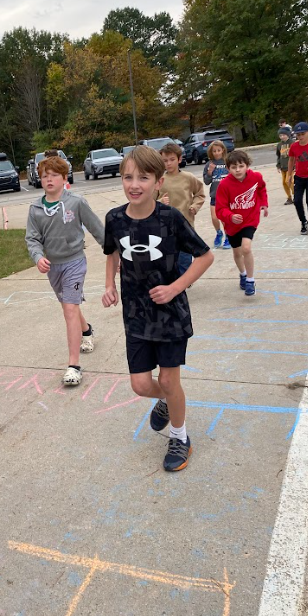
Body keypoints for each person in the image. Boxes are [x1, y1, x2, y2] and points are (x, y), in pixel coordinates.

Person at [102, 145, 214, 472]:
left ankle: (179, 436)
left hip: (170, 314)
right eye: (128, 177)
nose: (134, 184)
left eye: (143, 177)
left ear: (159, 181)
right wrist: (109, 284)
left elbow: (205, 256)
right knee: (140, 385)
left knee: (168, 379)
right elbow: (111, 253)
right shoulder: (115, 219)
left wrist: (176, 287)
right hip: (135, 315)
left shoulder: (170, 219)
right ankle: (165, 402)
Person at [25, 154, 104, 387]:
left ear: (64, 177)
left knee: (70, 308)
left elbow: (97, 228)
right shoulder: (35, 209)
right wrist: (38, 257)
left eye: (54, 175)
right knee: (69, 306)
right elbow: (32, 239)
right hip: (53, 266)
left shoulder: (76, 202)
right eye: (44, 176)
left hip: (75, 262)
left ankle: (74, 366)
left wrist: (112, 253)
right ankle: (87, 331)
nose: (49, 180)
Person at [215, 150, 269, 297]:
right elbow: (220, 209)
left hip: (250, 219)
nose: (238, 170)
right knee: (237, 252)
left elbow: (262, 189)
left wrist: (263, 203)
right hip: (232, 225)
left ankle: (250, 281)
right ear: (228, 168)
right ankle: (243, 274)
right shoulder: (224, 185)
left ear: (247, 165)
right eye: (233, 167)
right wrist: (230, 216)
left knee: (246, 248)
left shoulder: (256, 177)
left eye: (241, 166)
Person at [157, 142, 205, 277]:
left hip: (185, 224)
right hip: (165, 226)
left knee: (185, 257)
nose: (168, 163)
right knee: (169, 257)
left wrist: (195, 206)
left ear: (179, 159)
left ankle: (183, 281)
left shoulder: (188, 178)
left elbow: (200, 194)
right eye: (165, 161)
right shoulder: (159, 180)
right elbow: (150, 201)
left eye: (172, 160)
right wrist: (160, 202)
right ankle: (175, 280)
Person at [203, 140, 231, 247]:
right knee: (214, 218)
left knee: (224, 218)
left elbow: (235, 176)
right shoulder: (209, 164)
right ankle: (219, 233)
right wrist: (210, 171)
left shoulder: (227, 162)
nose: (217, 153)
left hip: (226, 196)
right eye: (214, 151)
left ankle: (228, 237)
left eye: (219, 150)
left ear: (223, 150)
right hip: (215, 195)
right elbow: (206, 181)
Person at [276, 128, 294, 205]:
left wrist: (295, 165)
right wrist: (278, 165)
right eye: (280, 135)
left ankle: (296, 193)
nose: (282, 137)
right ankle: (289, 197)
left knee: (288, 181)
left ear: (288, 135)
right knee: (284, 183)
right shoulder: (279, 145)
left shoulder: (292, 143)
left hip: (290, 166)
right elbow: (278, 155)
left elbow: (296, 155)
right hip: (283, 166)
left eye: (283, 135)